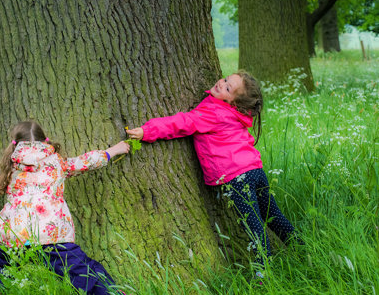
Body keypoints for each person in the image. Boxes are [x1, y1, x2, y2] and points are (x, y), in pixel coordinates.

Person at [126, 70, 300, 278]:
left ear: (233, 102)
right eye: (226, 80)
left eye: (228, 88)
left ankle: (265, 272)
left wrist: (148, 131)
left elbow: (182, 122)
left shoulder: (214, 112)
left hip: (238, 177)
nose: (221, 83)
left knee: (253, 224)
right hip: (255, 171)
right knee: (271, 214)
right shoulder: (236, 114)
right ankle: (301, 248)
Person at [0, 121, 130, 295]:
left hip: (16, 233)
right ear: (45, 140)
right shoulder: (57, 162)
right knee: (83, 270)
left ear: (15, 142)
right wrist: (114, 150)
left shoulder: (10, 167)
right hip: (51, 234)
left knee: (2, 267)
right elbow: (86, 161)